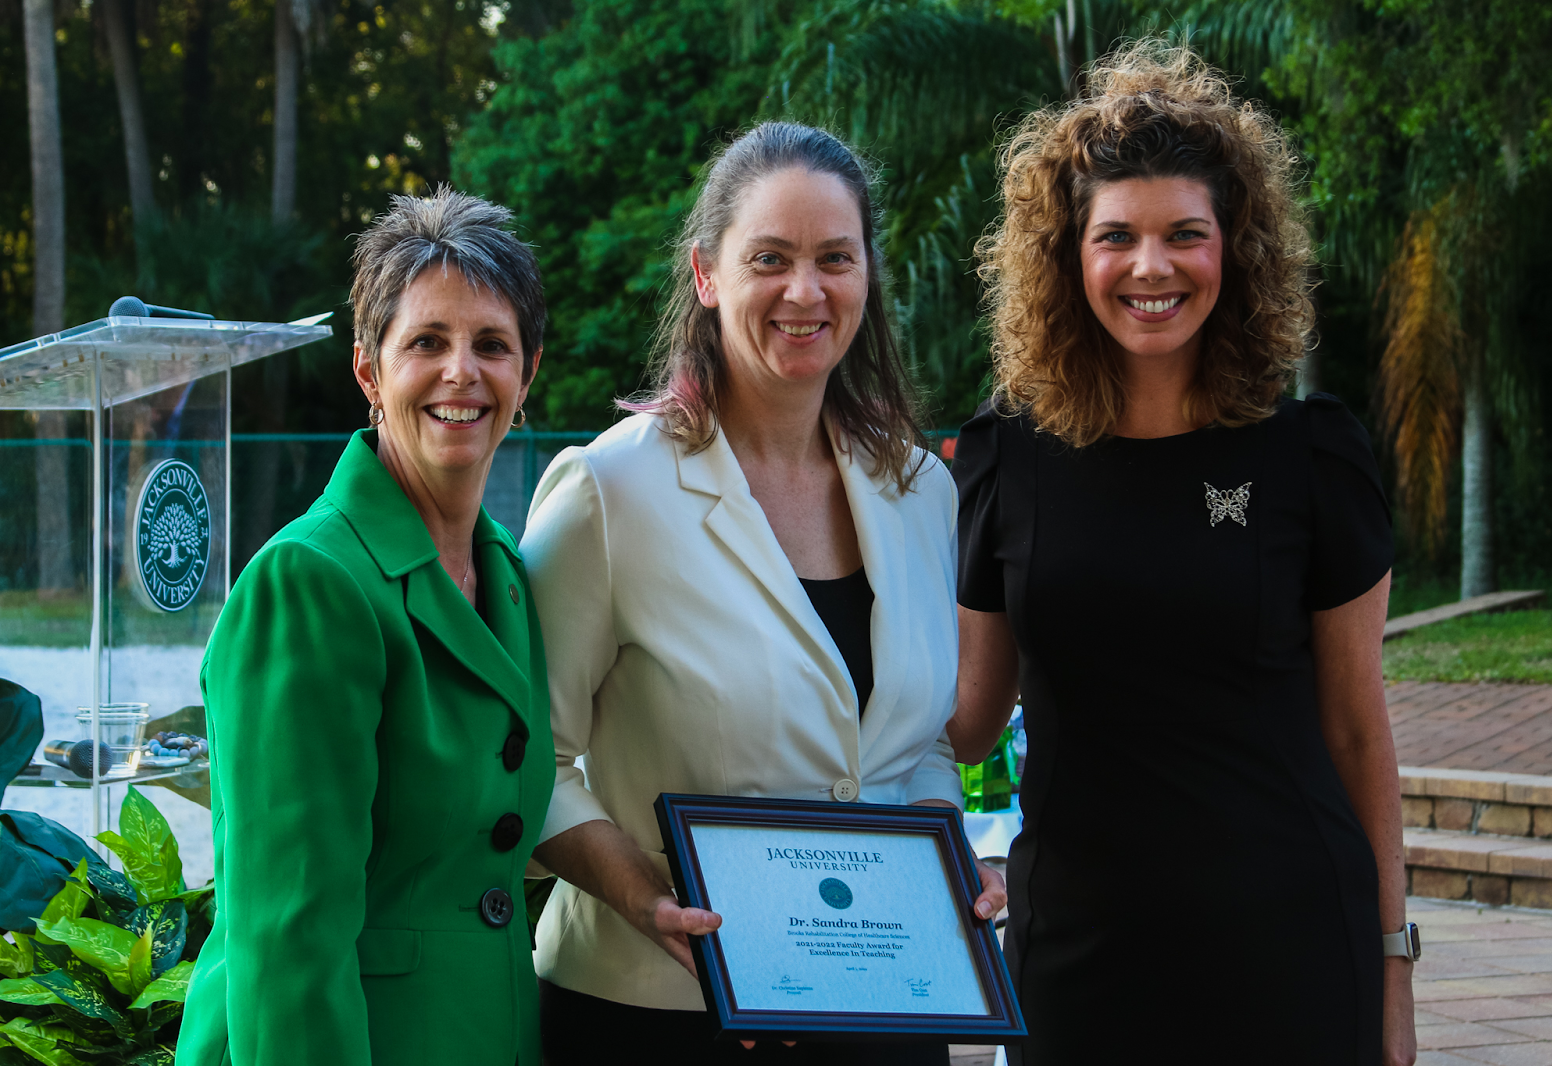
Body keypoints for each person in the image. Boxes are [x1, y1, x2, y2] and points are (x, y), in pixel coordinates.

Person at [949, 42, 1416, 1066]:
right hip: (1076, 957)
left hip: (1289, 949)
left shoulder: (1310, 456)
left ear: (1233, 248)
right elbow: (965, 719)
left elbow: (1354, 730)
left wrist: (1391, 966)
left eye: (1184, 235)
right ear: (1068, 257)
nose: (1150, 267)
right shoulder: (1005, 459)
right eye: (1115, 236)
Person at [520, 122, 1005, 1066]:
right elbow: (527, 756)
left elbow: (911, 753)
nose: (805, 291)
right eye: (769, 259)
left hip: (878, 1011)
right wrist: (640, 896)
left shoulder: (920, 494)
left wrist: (951, 867)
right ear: (706, 275)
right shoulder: (608, 494)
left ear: (867, 274)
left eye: (835, 259)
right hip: (655, 1014)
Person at [176, 188, 556, 1066]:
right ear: (368, 372)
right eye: (427, 341)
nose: (461, 371)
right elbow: (288, 940)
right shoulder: (309, 582)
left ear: (526, 375)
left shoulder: (504, 572)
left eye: (491, 345)